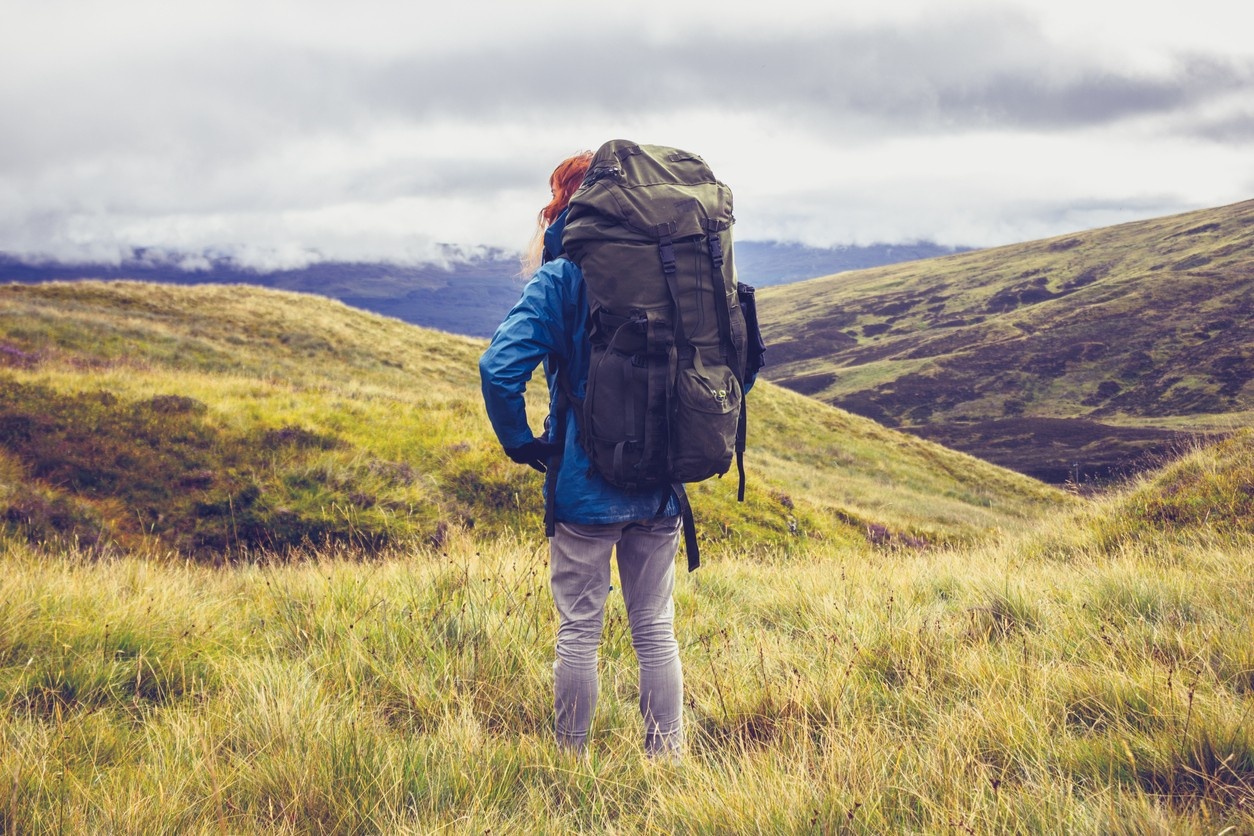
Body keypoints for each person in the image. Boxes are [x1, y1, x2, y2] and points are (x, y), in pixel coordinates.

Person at [479, 151, 688, 758]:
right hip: (660, 481)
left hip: (585, 483)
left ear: (567, 205)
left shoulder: (561, 278)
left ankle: (570, 765)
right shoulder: (675, 270)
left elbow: (499, 369)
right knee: (654, 629)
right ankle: (667, 764)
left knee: (578, 633)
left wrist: (525, 445)